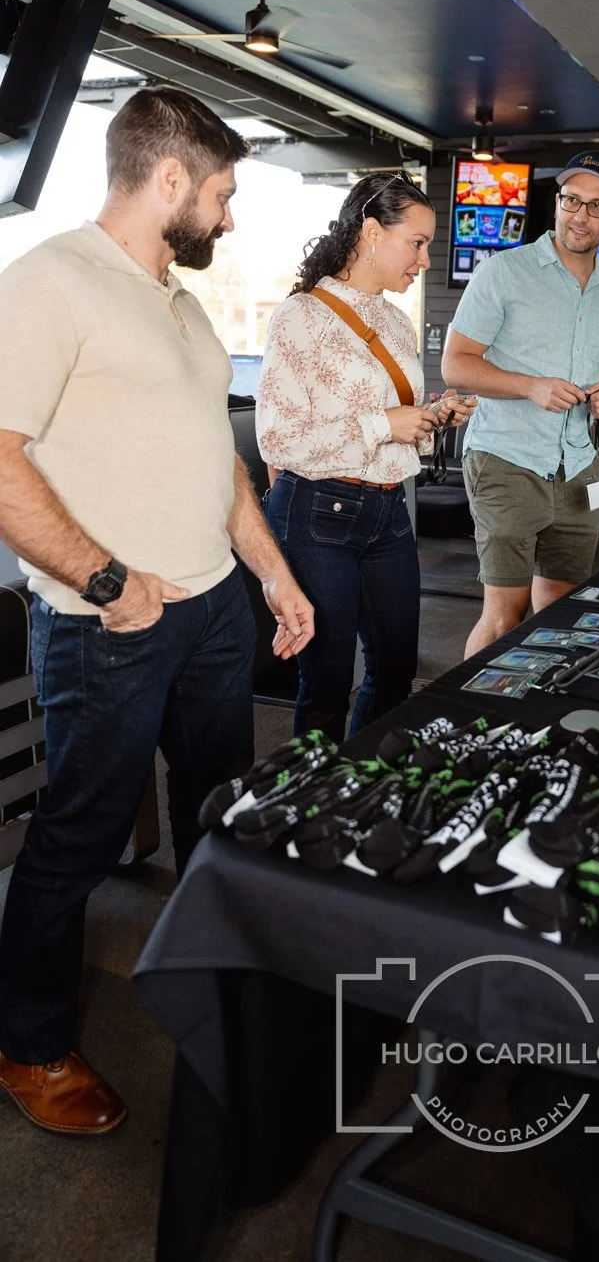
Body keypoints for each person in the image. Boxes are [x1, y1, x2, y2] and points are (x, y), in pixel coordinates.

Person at [0, 88, 314, 1136]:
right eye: (222, 194)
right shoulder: (49, 283)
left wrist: (270, 573)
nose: (228, 217)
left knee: (217, 805)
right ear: (170, 177)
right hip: (112, 627)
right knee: (77, 839)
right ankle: (30, 1043)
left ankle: (203, 974)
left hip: (215, 612)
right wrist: (106, 583)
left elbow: (217, 463)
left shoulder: (180, 303)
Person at [257, 173, 475, 741]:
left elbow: (391, 425)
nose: (424, 260)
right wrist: (385, 423)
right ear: (372, 232)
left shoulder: (398, 323)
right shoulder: (298, 316)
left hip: (387, 512)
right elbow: (279, 440)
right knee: (327, 682)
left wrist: (433, 416)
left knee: (396, 669)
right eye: (418, 243)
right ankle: (311, 808)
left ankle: (362, 788)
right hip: (314, 511)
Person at [441, 151, 599, 657]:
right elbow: (456, 365)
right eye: (571, 200)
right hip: (507, 460)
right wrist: (530, 386)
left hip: (579, 470)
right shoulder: (503, 272)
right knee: (505, 613)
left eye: (596, 206)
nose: (580, 216)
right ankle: (473, 722)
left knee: (560, 614)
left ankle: (533, 725)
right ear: (557, 202)